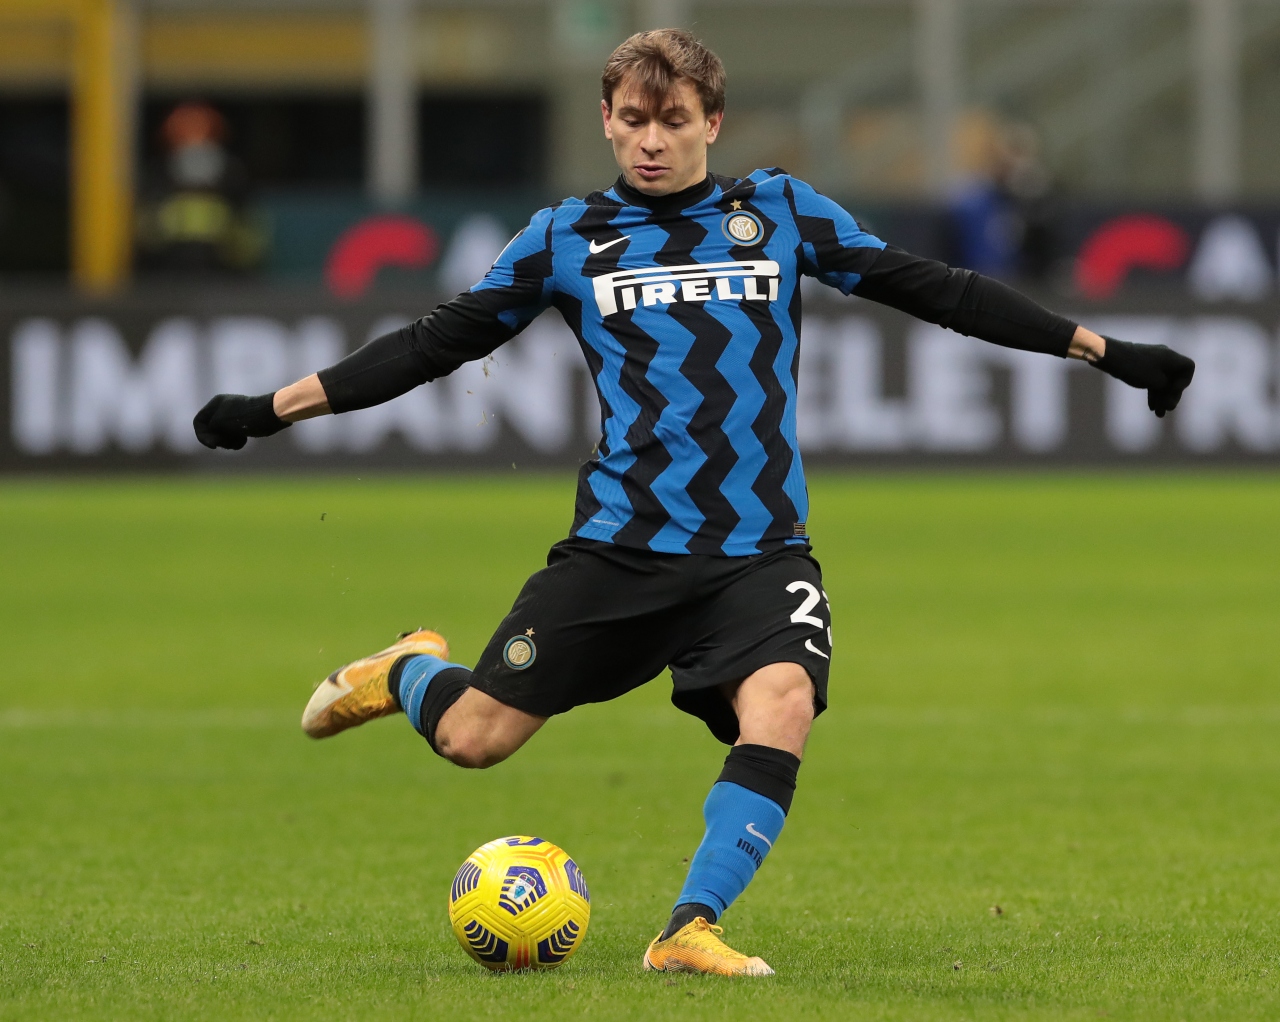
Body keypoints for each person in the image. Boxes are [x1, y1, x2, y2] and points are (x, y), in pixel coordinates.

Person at [193, 30, 1194, 976]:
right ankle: (410, 669)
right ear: (606, 119)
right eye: (633, 119)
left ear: (712, 121)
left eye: (672, 120)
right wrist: (272, 409)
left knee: (783, 702)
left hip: (758, 552)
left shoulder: (780, 213)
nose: (651, 140)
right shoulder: (567, 236)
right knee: (474, 740)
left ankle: (688, 927)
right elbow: (430, 343)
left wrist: (1104, 350)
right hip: (620, 549)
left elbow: (941, 290)